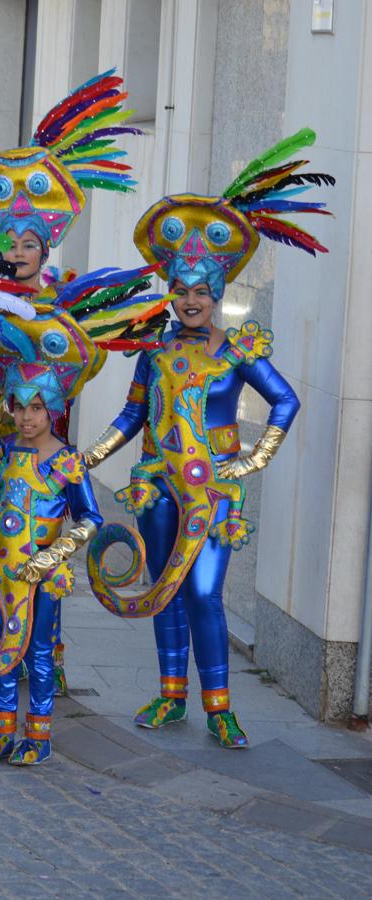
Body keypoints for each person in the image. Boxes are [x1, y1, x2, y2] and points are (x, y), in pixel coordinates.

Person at [82, 129, 330, 749]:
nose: (190, 301)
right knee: (164, 586)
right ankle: (171, 698)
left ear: (218, 295)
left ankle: (220, 706)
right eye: (182, 291)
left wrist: (255, 458)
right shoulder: (154, 351)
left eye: (201, 291)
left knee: (203, 593)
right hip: (158, 486)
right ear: (171, 294)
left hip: (214, 489)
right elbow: (132, 415)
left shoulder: (239, 350)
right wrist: (86, 458)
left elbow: (286, 399)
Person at [0, 69, 142, 696]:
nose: (17, 252)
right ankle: (6, 650)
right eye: (8, 243)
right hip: (1, 439)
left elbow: (83, 361)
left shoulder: (65, 299)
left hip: (50, 441)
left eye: (28, 243)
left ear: (45, 247)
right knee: (0, 544)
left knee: (48, 546)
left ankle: (47, 654)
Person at [0, 361, 103, 766]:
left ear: (52, 409)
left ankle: (38, 734)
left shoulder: (68, 461)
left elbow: (91, 519)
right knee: (3, 650)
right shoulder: (2, 456)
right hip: (1, 575)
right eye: (18, 407)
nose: (26, 417)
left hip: (42, 579)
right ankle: (2, 732)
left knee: (37, 653)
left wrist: (53, 555)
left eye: (35, 408)